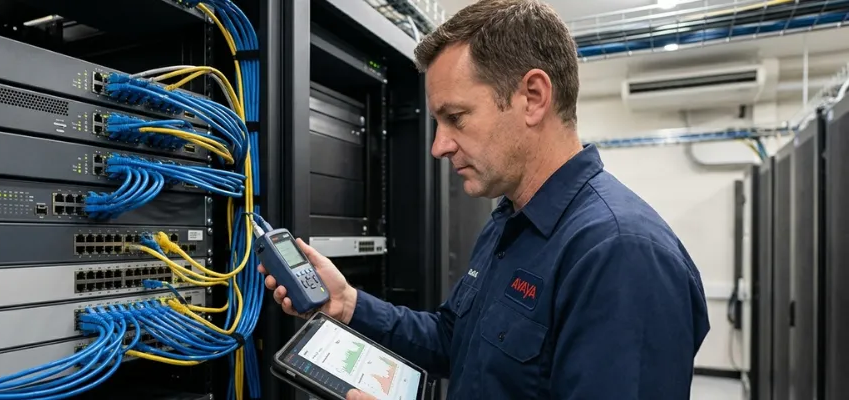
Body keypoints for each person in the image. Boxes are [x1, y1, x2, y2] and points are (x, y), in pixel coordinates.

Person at [259, 0, 710, 398]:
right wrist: (349, 304)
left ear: (533, 97)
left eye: (455, 118)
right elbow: (453, 340)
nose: (439, 146)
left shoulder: (620, 253)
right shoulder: (509, 222)